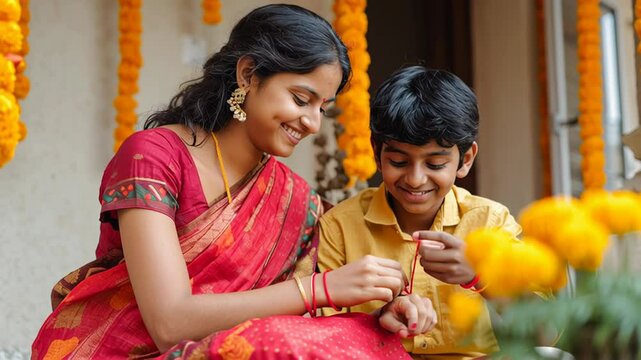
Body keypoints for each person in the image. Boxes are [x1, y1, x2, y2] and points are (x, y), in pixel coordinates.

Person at [31, 6, 437, 359]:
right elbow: (169, 324)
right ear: (248, 74)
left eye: (322, 108)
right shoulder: (154, 156)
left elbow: (303, 318)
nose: (312, 124)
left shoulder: (295, 199)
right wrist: (321, 289)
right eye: (300, 99)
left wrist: (380, 313)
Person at [318, 66, 522, 359]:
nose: (415, 179)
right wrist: (376, 320)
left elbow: (547, 328)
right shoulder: (339, 226)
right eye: (399, 161)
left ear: (465, 160)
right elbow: (316, 332)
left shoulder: (490, 222)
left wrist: (480, 275)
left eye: (435, 165)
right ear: (377, 153)